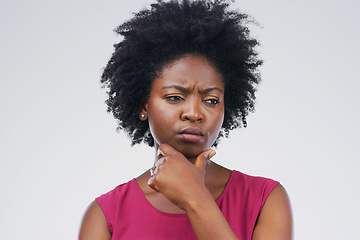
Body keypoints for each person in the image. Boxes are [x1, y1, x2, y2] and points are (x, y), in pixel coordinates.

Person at [79, 0, 292, 239]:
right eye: (175, 97)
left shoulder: (265, 199)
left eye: (211, 100)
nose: (194, 113)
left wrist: (193, 196)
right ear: (143, 106)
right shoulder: (105, 216)